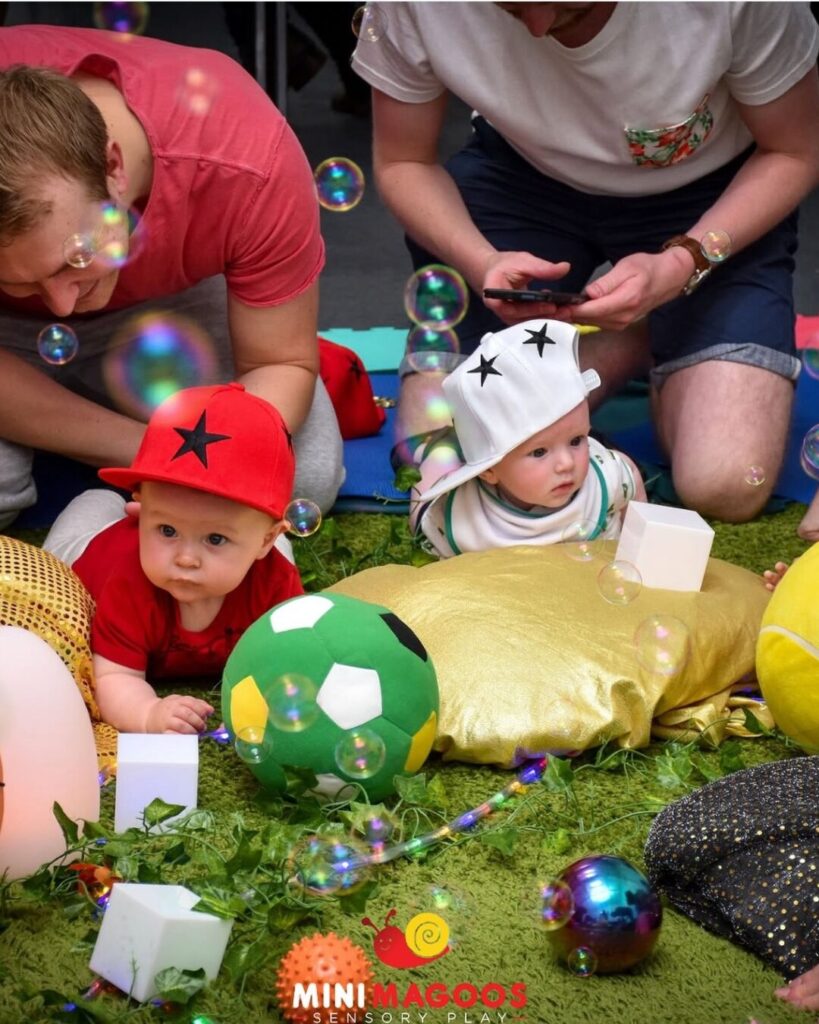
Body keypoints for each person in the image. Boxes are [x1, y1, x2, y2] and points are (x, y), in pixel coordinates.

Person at [351, 2, 819, 533]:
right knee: (433, 457)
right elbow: (403, 160)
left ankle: (669, 326)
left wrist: (683, 262)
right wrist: (483, 260)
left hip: (712, 193)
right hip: (520, 175)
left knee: (724, 483)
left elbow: (794, 150)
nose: (537, 28)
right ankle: (641, 339)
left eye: (572, 7)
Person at [0, 26, 344, 530]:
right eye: (21, 281)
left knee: (306, 475)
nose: (61, 307)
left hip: (168, 307)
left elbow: (279, 361)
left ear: (113, 167)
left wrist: (203, 450)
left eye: (75, 258)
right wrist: (154, 449)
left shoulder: (246, 156)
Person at [43, 382, 303, 735]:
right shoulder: (128, 584)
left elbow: (295, 659)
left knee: (262, 557)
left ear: (267, 540)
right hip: (88, 555)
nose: (185, 558)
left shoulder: (275, 582)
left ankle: (185, 528)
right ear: (142, 505)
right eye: (167, 531)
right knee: (65, 544)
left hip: (180, 530)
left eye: (215, 538)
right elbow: (113, 677)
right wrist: (149, 713)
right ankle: (105, 503)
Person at [410, 319, 646, 558]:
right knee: (424, 496)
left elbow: (630, 477)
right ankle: (437, 448)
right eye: (539, 452)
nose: (566, 463)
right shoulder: (465, 519)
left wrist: (639, 538)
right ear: (489, 470)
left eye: (576, 440)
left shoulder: (604, 480)